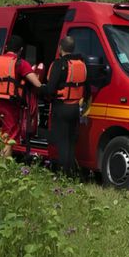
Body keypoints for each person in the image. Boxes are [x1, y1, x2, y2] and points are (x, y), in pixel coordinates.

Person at [0, 35, 42, 157]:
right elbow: (37, 84)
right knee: (9, 135)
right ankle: (4, 166)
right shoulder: (20, 63)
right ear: (20, 50)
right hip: (9, 105)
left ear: (6, 47)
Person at [42, 36, 88, 176]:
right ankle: (72, 172)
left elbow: (50, 89)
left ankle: (64, 174)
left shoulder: (58, 64)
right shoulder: (81, 64)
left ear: (60, 48)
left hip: (61, 107)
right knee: (71, 141)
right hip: (75, 109)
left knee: (62, 142)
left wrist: (41, 90)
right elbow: (87, 88)